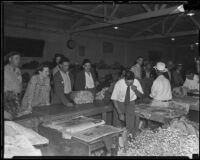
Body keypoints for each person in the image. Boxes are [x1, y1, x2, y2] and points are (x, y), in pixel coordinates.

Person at [111, 70, 144, 136]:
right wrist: (119, 113)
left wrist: (136, 90)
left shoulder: (136, 82)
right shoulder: (119, 83)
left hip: (130, 103)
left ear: (134, 79)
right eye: (127, 82)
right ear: (124, 79)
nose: (129, 84)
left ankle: (129, 138)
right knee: (117, 125)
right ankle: (117, 139)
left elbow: (141, 96)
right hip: (119, 102)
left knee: (130, 123)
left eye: (131, 82)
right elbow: (114, 99)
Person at [4, 51, 23, 120]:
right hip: (7, 99)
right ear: (10, 59)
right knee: (9, 119)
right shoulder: (5, 70)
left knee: (16, 119)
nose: (18, 60)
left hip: (17, 98)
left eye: (19, 59)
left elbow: (19, 84)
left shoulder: (18, 70)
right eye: (16, 58)